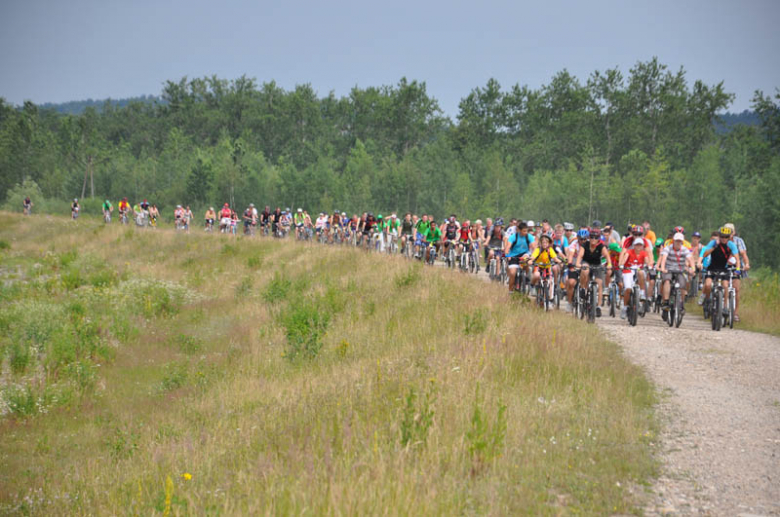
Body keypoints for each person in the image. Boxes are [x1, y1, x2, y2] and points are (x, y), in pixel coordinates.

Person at [699, 226, 742, 321]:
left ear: (729, 237)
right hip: (712, 268)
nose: (724, 239)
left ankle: (725, 307)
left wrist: (738, 269)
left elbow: (737, 259)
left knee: (726, 286)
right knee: (708, 284)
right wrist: (714, 247)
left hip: (724, 268)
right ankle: (707, 299)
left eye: (726, 237)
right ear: (719, 236)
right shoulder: (714, 242)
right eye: (722, 237)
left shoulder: (731, 245)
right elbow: (705, 254)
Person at [658, 232, 696, 321]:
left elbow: (690, 259)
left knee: (683, 285)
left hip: (680, 270)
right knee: (667, 281)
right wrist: (663, 268)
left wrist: (692, 268)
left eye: (680, 241)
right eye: (676, 241)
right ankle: (666, 302)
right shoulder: (668, 248)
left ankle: (681, 304)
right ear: (673, 241)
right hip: (668, 269)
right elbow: (664, 258)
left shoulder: (684, 249)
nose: (678, 243)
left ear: (682, 242)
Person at [575, 229, 612, 316]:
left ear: (598, 238)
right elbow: (580, 256)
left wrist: (609, 264)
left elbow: (607, 256)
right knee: (585, 271)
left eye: (596, 237)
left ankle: (598, 306)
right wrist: (577, 263)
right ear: (589, 237)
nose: (593, 239)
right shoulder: (584, 245)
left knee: (599, 284)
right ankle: (583, 289)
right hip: (586, 263)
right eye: (591, 237)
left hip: (597, 264)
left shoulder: (601, 246)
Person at [618, 238, 653, 319]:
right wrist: (622, 264)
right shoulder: (629, 252)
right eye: (637, 245)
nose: (638, 247)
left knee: (641, 273)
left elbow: (647, 260)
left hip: (638, 270)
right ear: (634, 245)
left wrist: (649, 265)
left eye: (640, 245)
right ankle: (625, 307)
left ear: (642, 246)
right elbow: (625, 257)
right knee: (628, 289)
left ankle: (641, 292)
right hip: (628, 270)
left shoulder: (644, 253)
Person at [527, 234, 562, 299]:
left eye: (546, 243)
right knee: (536, 275)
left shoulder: (550, 250)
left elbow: (555, 258)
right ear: (540, 243)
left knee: (551, 281)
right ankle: (532, 286)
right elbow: (533, 257)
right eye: (543, 242)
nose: (545, 244)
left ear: (549, 243)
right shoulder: (538, 249)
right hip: (538, 266)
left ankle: (550, 298)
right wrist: (530, 261)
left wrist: (560, 261)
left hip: (547, 267)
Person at [504, 221, 535, 293]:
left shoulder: (529, 237)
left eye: (527, 231)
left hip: (524, 254)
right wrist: (508, 256)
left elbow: (534, 247)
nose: (526, 232)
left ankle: (527, 279)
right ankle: (510, 291)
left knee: (526, 260)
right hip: (513, 256)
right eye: (524, 231)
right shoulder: (513, 237)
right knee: (512, 274)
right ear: (519, 230)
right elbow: (507, 248)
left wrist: (533, 256)